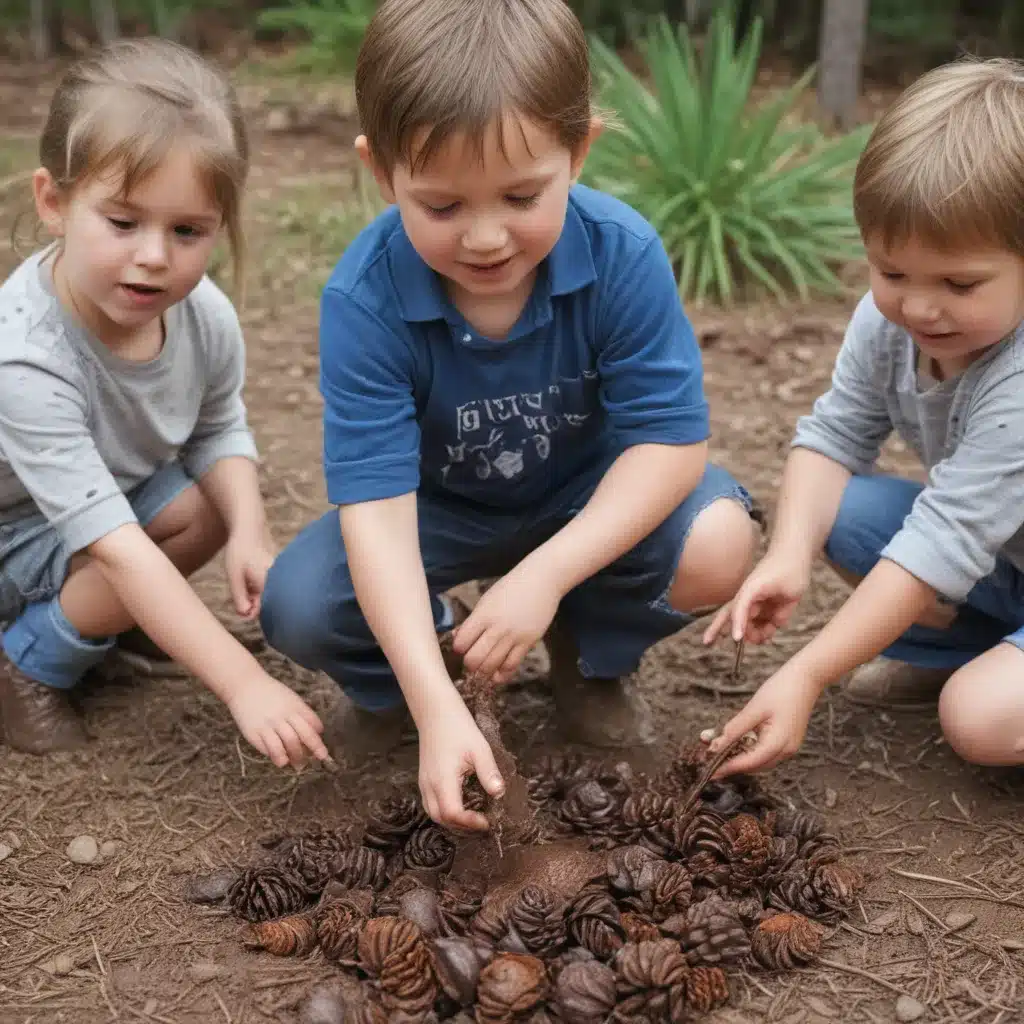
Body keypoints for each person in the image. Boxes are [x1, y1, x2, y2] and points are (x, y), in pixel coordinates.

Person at [259, 0, 761, 830]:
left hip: (585, 499)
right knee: (301, 603)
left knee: (716, 540)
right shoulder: (364, 297)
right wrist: (431, 701)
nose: (486, 237)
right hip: (439, 513)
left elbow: (669, 446)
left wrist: (546, 576)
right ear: (381, 174)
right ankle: (425, 668)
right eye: (443, 207)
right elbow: (378, 516)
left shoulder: (621, 252)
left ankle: (589, 656)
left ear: (580, 150)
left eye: (522, 195)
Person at [0, 38, 328, 770]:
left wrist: (250, 531)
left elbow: (219, 426)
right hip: (14, 528)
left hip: (102, 499)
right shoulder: (25, 358)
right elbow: (117, 547)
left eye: (187, 231)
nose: (155, 255)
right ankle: (27, 661)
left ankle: (104, 622)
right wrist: (243, 683)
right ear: (53, 202)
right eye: (123, 222)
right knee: (131, 564)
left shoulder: (202, 313)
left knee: (208, 510)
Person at [704, 58, 1024, 777]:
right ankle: (971, 652)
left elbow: (944, 538)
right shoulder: (890, 327)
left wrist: (807, 673)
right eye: (892, 272)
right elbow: (832, 438)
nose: (919, 307)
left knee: (981, 721)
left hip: (981, 544)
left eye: (959, 283)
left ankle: (987, 676)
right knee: (842, 512)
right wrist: (789, 554)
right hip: (1006, 561)